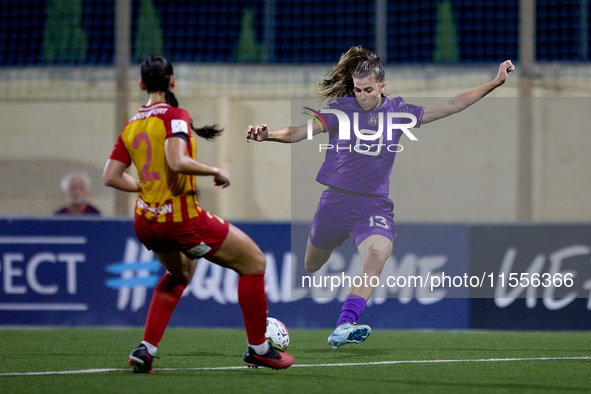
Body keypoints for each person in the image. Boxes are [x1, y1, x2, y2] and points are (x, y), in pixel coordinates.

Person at [245, 46, 514, 349]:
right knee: (311, 264)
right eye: (358, 90)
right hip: (334, 202)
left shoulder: (399, 111)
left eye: (368, 90)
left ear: (382, 87)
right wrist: (266, 135)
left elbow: (452, 105)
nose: (362, 95)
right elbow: (298, 132)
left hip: (372, 205)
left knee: (376, 256)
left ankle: (344, 324)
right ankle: (333, 274)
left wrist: (495, 82)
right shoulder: (340, 110)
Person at [103, 55, 294, 373]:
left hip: (145, 222)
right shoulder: (175, 115)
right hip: (179, 220)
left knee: (181, 274)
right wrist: (215, 169)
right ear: (172, 82)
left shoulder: (131, 125)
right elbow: (176, 161)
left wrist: (146, 187)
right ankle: (260, 348)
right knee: (254, 263)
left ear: (141, 85)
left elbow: (110, 176)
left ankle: (146, 350)